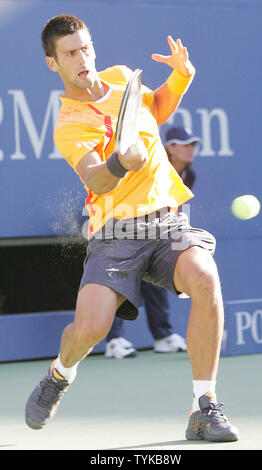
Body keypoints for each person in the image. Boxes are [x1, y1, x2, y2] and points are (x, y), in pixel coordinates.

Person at [25, 14, 239, 442]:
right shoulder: (69, 125)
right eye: (70, 53)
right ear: (54, 64)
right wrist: (121, 160)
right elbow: (96, 179)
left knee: (205, 276)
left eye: (86, 47)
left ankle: (204, 406)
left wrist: (180, 78)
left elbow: (156, 108)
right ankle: (59, 374)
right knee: (89, 330)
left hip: (165, 220)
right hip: (115, 234)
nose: (82, 57)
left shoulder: (124, 80)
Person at [105, 125, 200, 359]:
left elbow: (175, 206)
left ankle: (163, 337)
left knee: (156, 279)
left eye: (192, 145)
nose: (190, 150)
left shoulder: (189, 174)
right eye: (184, 145)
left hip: (156, 226)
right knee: (122, 278)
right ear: (170, 148)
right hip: (119, 219)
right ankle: (114, 340)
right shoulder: (154, 164)